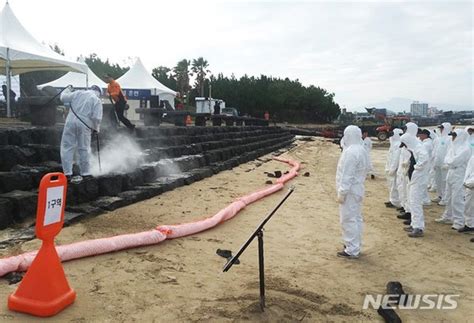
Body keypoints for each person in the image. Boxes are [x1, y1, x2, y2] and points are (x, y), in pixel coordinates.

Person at [336, 125, 369, 259]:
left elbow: (347, 175)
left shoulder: (351, 152)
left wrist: (342, 192)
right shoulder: (361, 149)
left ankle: (351, 249)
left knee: (348, 219)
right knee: (356, 218)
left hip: (349, 191)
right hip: (357, 189)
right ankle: (355, 244)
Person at [60, 85, 103, 182]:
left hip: (70, 123)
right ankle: (86, 173)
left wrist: (68, 89)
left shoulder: (78, 93)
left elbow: (63, 97)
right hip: (85, 125)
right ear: (99, 93)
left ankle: (67, 173)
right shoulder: (96, 100)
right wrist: (96, 129)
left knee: (67, 147)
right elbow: (97, 118)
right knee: (84, 148)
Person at [435, 129, 471, 230]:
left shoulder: (466, 148)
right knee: (448, 196)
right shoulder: (453, 146)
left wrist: (450, 161)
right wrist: (450, 161)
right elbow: (447, 159)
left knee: (457, 198)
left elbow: (455, 161)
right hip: (451, 173)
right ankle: (448, 216)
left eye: (454, 136)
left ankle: (459, 221)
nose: (453, 138)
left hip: (460, 174)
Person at [400, 132, 429, 238]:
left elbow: (424, 159)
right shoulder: (414, 149)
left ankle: (418, 227)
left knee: (416, 203)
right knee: (412, 202)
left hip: (418, 180)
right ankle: (414, 224)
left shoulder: (419, 148)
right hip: (414, 180)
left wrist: (417, 168)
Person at [432, 122, 452, 205]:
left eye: (442, 128)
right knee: (438, 180)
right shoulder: (438, 139)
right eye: (440, 128)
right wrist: (433, 162)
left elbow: (450, 152)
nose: (441, 129)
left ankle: (445, 198)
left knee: (444, 181)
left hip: (444, 165)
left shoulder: (450, 139)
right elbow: (434, 151)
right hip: (437, 163)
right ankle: (440, 195)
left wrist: (447, 163)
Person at [384, 128, 403, 208]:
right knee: (392, 185)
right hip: (391, 168)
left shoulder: (398, 145)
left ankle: (396, 201)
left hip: (395, 169)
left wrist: (393, 169)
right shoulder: (394, 143)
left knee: (395, 186)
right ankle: (393, 200)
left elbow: (396, 158)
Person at [418, 129, 434, 206]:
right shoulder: (425, 142)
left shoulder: (427, 144)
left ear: (425, 135)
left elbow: (423, 156)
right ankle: (424, 199)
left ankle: (425, 200)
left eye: (420, 134)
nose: (419, 136)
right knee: (422, 183)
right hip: (425, 165)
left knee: (422, 183)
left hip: (425, 166)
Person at [460, 154, 474, 233]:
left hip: (471, 183)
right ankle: (470, 225)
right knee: (468, 206)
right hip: (469, 184)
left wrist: (470, 182)